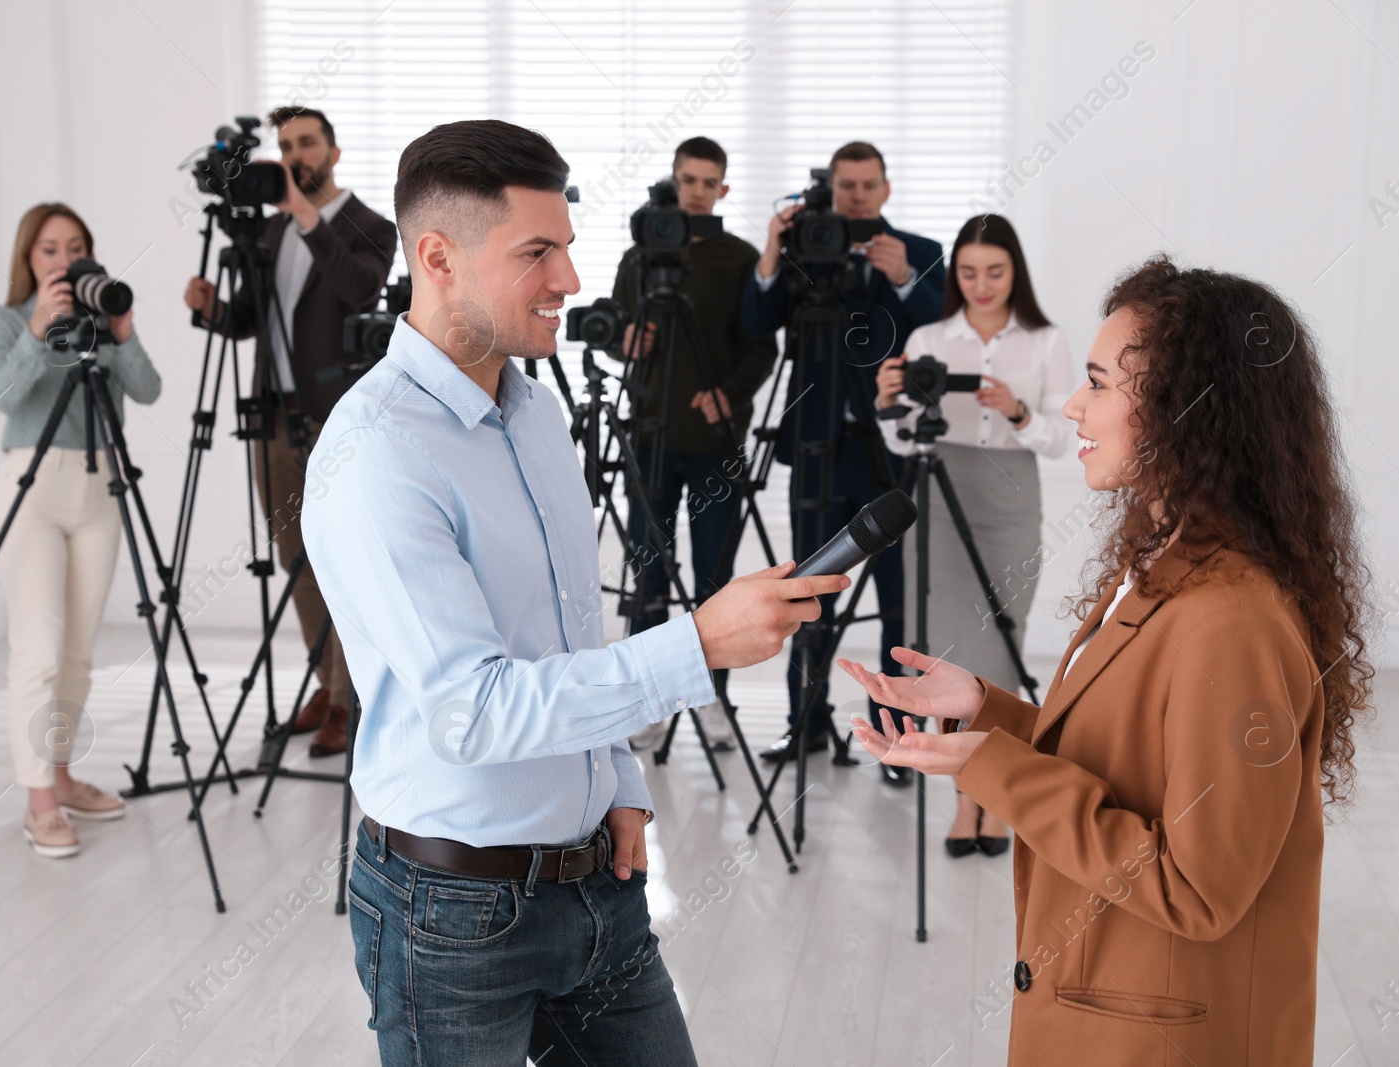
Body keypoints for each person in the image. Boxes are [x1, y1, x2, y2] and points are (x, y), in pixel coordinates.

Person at [302, 119, 848, 1066]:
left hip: (599, 880)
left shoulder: (534, 408)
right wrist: (699, 645)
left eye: (566, 246)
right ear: (438, 256)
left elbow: (563, 635)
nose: (571, 280)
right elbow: (473, 712)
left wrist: (618, 781)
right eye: (537, 252)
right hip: (453, 916)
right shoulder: (377, 454)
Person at [841, 256, 1373, 1066]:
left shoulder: (1230, 619)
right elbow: (1127, 763)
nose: (1071, 405)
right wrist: (983, 711)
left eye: (1096, 382)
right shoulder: (1163, 566)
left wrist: (994, 768)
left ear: (1185, 412)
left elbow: (1200, 888)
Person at [183, 105, 398, 757]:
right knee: (294, 557)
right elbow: (253, 317)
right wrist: (212, 309)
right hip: (272, 412)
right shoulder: (273, 232)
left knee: (342, 560)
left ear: (334, 152)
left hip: (337, 417)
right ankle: (330, 681)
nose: (295, 154)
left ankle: (350, 695)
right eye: (285, 145)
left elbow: (360, 290)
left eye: (306, 143)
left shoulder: (370, 226)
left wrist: (306, 217)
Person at [742, 141, 946, 785]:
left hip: (888, 446)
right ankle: (805, 722)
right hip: (815, 444)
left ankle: (895, 739)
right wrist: (774, 255)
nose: (856, 196)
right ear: (831, 189)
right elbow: (755, 322)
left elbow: (945, 326)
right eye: (846, 186)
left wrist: (904, 277)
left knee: (894, 603)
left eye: (867, 185)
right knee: (809, 590)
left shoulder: (917, 249)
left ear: (886, 189)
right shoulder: (805, 244)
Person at [874, 214, 1071, 853]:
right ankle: (967, 803)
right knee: (955, 656)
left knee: (1003, 650)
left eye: (995, 271)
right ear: (954, 276)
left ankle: (1000, 799)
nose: (982, 285)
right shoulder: (932, 336)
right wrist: (886, 405)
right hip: (942, 492)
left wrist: (1016, 411)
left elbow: (1064, 439)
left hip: (1012, 499)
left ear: (1015, 272)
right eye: (968, 273)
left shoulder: (1045, 341)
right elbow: (904, 437)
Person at [0, 203, 162, 858]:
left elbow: (148, 389)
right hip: (31, 485)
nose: (63, 260)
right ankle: (38, 801)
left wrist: (121, 330)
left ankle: (60, 774)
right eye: (49, 249)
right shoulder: (4, 321)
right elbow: (4, 398)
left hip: (98, 486)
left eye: (75, 246)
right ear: (28, 258)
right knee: (40, 649)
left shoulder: (102, 320)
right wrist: (37, 329)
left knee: (80, 651)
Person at [610, 136, 777, 752]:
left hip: (715, 439)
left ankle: (711, 700)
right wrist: (625, 341)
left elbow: (763, 345)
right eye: (688, 179)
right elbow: (615, 330)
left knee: (715, 578)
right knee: (649, 573)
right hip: (649, 436)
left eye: (709, 182)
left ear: (723, 189)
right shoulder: (642, 255)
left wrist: (728, 396)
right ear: (674, 180)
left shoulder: (739, 259)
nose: (696, 190)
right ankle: (647, 703)